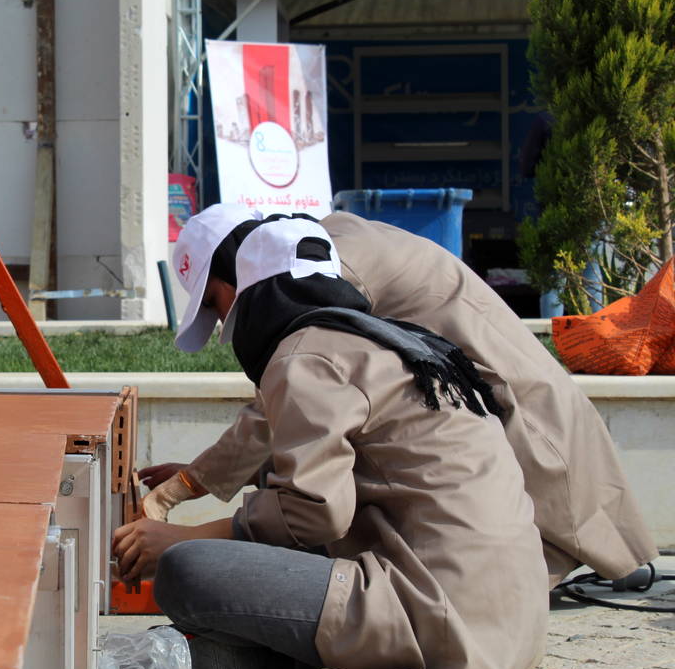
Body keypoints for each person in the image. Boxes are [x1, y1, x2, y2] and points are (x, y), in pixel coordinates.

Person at [113, 217, 549, 669]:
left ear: (253, 296)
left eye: (217, 304)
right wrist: (190, 483)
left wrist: (181, 538)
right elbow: (283, 441)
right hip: (514, 621)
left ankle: (291, 658)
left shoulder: (304, 356)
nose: (223, 325)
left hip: (439, 625)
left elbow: (315, 512)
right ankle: (284, 656)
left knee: (185, 570)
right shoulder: (389, 341)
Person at [143, 207, 656, 587]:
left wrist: (183, 491)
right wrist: (201, 478)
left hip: (522, 412)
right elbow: (292, 412)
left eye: (215, 301)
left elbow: (283, 402)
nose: (225, 321)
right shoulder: (323, 247)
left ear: (240, 265)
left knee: (518, 556)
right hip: (486, 407)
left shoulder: (321, 267)